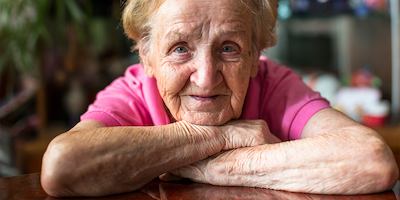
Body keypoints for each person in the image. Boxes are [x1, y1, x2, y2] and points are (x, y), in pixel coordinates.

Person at [40, 0, 399, 197]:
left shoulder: (272, 83)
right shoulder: (134, 91)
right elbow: (62, 167)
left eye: (229, 48)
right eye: (180, 49)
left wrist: (209, 167)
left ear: (257, 53)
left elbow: (371, 160)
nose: (206, 77)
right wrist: (222, 137)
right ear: (146, 56)